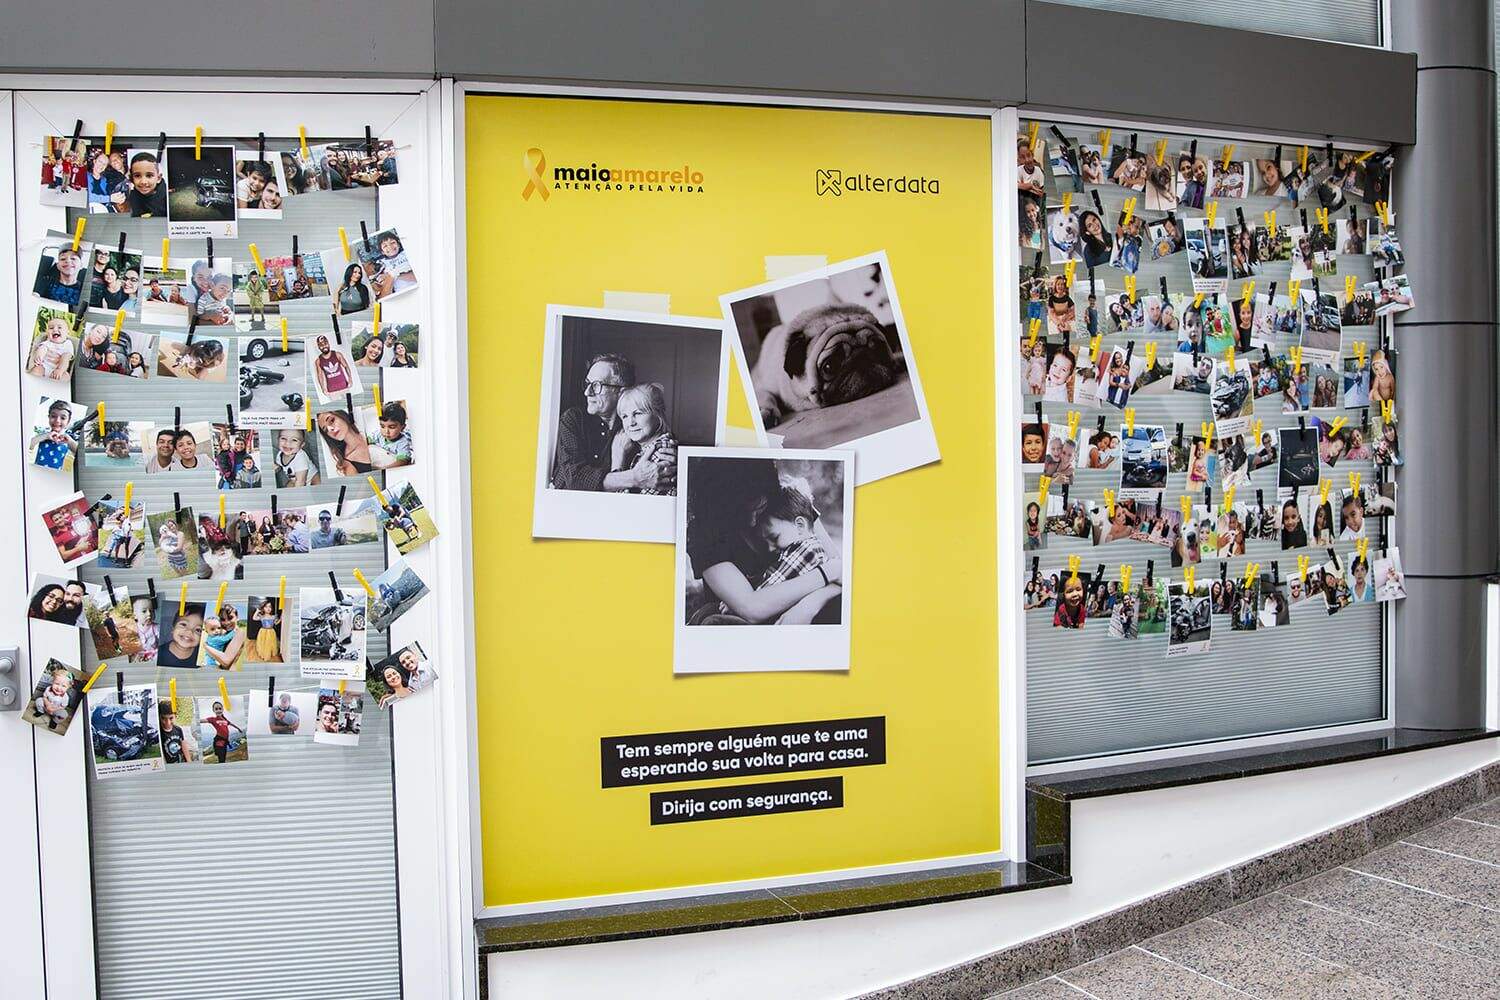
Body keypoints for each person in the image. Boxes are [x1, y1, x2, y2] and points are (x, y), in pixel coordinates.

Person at [685, 458, 843, 626]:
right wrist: (826, 573)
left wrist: (809, 605)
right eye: (742, 513)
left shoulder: (785, 500)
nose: (753, 521)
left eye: (759, 509)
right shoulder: (705, 533)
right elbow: (751, 608)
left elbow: (842, 575)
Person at [550, 353, 673, 492]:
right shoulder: (574, 419)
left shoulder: (635, 428)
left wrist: (672, 460)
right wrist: (634, 478)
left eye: (597, 385)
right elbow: (574, 480)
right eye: (587, 384)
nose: (587, 392)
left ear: (621, 391)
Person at [613, 383, 676, 496]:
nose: (631, 423)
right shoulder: (646, 448)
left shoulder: (662, 451)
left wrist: (617, 466)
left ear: (657, 414)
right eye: (625, 416)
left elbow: (627, 503)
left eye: (638, 413)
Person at [317, 409, 387, 475]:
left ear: (341, 415)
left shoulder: (371, 430)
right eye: (326, 430)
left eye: (332, 420)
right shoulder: (348, 465)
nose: (330, 429)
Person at [110, 151, 168, 216]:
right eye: (137, 176)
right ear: (131, 178)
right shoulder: (130, 199)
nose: (143, 182)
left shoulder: (168, 200)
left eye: (149, 175)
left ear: (158, 178)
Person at [29, 398, 79, 471]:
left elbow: (79, 453)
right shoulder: (43, 436)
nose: (57, 420)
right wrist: (46, 436)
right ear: (48, 417)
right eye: (53, 416)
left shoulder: (67, 440)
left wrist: (70, 441)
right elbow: (28, 445)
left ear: (68, 421)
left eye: (63, 418)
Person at [29, 315, 77, 380]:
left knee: (66, 376)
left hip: (60, 370)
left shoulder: (68, 343)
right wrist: (39, 357)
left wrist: (60, 369)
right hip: (44, 367)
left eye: (59, 327)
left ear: (67, 332)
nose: (55, 329)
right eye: (51, 328)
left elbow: (66, 357)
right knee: (36, 370)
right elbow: (42, 348)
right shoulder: (48, 342)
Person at [199, 604, 246, 669]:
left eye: (230, 618)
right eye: (223, 619)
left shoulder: (239, 633)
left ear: (237, 617)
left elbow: (226, 662)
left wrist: (206, 647)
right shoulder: (224, 633)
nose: (227, 622)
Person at [367, 401, 414, 466]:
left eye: (391, 427)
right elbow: (365, 441)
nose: (386, 431)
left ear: (402, 427)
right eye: (382, 426)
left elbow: (402, 461)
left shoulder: (403, 443)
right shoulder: (378, 434)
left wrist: (383, 468)